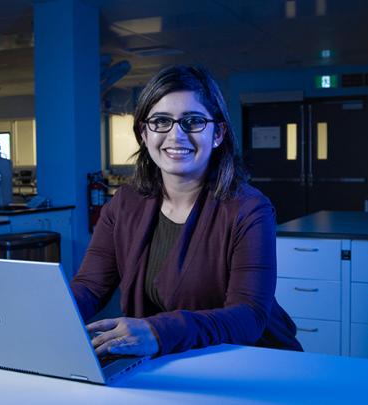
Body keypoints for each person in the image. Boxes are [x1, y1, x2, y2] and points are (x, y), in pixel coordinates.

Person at [70, 65, 302, 357]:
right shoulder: (124, 203)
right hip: (167, 361)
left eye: (192, 121)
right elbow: (90, 286)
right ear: (144, 133)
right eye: (161, 121)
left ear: (217, 133)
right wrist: (50, 312)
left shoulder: (249, 209)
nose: (175, 135)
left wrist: (158, 331)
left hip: (251, 360)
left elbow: (249, 315)